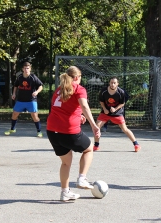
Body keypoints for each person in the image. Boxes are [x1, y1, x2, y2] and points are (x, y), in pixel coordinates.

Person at [46, 66, 101, 201]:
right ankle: (82, 178)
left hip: (52, 131)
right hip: (68, 131)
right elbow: (84, 106)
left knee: (66, 162)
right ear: (76, 77)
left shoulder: (59, 90)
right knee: (88, 150)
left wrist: (79, 116)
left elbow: (62, 108)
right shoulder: (79, 89)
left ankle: (65, 192)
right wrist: (94, 125)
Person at [93, 77, 141, 152]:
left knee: (124, 129)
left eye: (114, 83)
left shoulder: (121, 92)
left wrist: (115, 109)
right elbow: (101, 101)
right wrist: (105, 109)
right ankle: (96, 145)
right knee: (97, 127)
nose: (112, 84)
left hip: (117, 113)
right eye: (111, 82)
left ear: (117, 84)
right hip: (105, 112)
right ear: (109, 83)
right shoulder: (104, 91)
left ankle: (136, 144)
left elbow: (122, 103)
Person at [4, 62, 43, 137]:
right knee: (14, 114)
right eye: (25, 68)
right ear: (22, 69)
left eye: (28, 68)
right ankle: (12, 129)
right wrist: (14, 93)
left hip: (31, 100)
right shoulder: (20, 77)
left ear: (30, 69)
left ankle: (39, 131)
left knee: (34, 116)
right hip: (20, 100)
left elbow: (40, 86)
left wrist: (37, 92)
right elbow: (16, 85)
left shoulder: (33, 77)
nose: (26, 70)